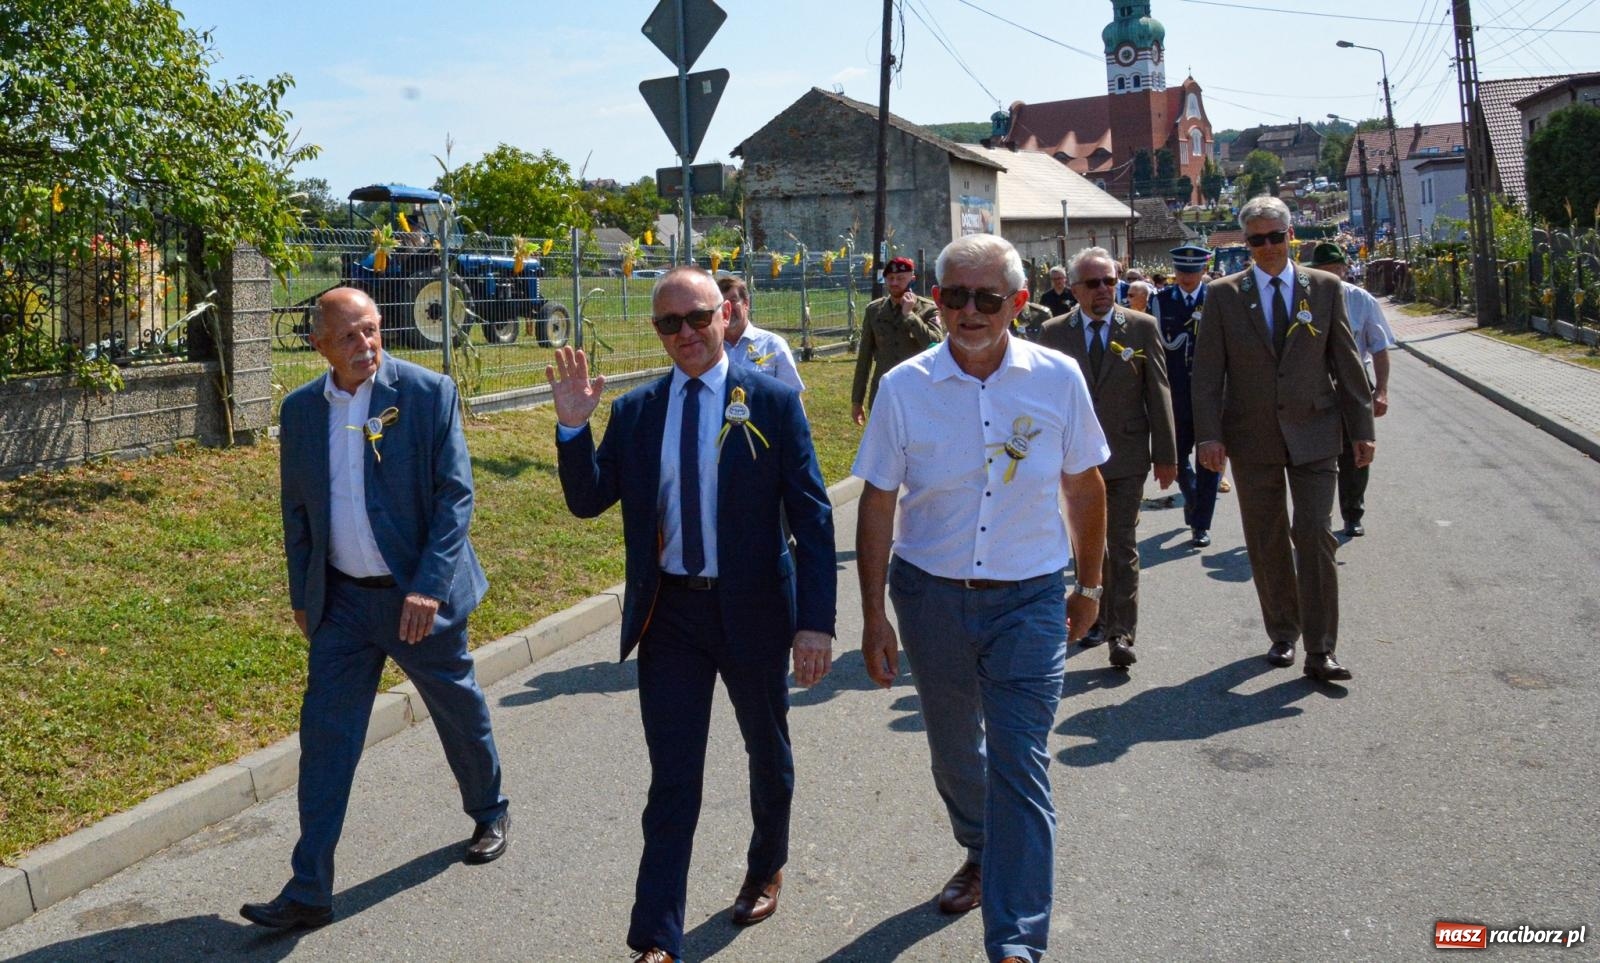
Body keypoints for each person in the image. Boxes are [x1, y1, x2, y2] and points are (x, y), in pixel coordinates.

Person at [546, 266, 836, 963]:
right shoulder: (639, 411)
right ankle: (656, 938)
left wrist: (816, 623)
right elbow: (588, 500)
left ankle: (766, 864)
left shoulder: (769, 402)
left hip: (756, 607)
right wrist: (570, 428)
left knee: (767, 751)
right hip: (671, 615)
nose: (686, 334)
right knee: (673, 777)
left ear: (727, 312)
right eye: (669, 323)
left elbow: (814, 518)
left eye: (698, 317)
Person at [854, 233, 1108, 963]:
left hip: (1029, 596)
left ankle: (1017, 942)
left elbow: (1084, 485)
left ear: (1018, 303)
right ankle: (980, 845)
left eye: (987, 298)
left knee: (1020, 760)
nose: (969, 310)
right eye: (954, 295)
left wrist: (1089, 584)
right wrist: (873, 613)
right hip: (930, 595)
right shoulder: (904, 388)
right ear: (935, 301)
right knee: (955, 752)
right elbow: (877, 501)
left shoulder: (1057, 379)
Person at [244, 287, 509, 930]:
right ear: (319, 345)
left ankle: (489, 809)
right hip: (340, 605)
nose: (365, 346)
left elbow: (455, 499)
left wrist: (429, 586)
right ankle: (310, 887)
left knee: (457, 710)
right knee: (326, 740)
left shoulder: (426, 393)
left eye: (371, 331)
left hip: (416, 599)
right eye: (348, 337)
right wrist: (302, 593)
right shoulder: (303, 410)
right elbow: (298, 510)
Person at [1191, 196, 1375, 683]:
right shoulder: (1224, 295)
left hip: (1316, 432)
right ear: (1245, 243)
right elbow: (1207, 374)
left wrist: (1362, 430)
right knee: (1266, 538)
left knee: (1314, 533)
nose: (1268, 246)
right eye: (1257, 239)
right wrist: (1208, 436)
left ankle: (1321, 650)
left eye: (1276, 236)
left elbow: (1347, 363)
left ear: (1291, 236)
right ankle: (1283, 631)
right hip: (1252, 438)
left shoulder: (1326, 288)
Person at [1039, 247, 1176, 671]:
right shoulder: (1054, 333)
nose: (1103, 290)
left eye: (1109, 282)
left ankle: (1121, 632)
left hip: (1126, 453)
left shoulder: (1139, 327)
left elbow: (1159, 390)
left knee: (1121, 543)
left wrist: (1166, 454)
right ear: (1075, 288)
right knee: (1087, 547)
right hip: (1075, 461)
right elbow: (1042, 398)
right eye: (1093, 283)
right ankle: (1094, 617)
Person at [1307, 241, 1394, 538]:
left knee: (1357, 448)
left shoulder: (1362, 300)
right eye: (1324, 271)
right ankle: (1317, 517)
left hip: (1353, 382)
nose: (1332, 276)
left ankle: (1353, 513)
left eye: (1336, 270)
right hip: (1314, 383)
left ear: (1344, 269)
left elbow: (1379, 348)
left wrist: (1381, 391)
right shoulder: (1302, 300)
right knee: (1314, 453)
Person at [1154, 243, 1222, 547]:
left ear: (1204, 270)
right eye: (1182, 271)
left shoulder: (1217, 299)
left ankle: (1200, 523)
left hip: (1211, 394)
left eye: (1193, 271)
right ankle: (1192, 496)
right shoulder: (1161, 302)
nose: (1186, 277)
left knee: (1212, 459)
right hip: (1176, 393)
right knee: (1178, 456)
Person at [851, 256, 942, 425]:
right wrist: (857, 400)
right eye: (890, 278)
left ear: (912, 279)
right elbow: (864, 359)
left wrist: (910, 315)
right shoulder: (874, 310)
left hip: (918, 390)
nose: (894, 283)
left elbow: (935, 345)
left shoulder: (928, 309)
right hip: (883, 391)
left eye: (900, 278)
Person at [718, 274, 805, 391]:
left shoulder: (773, 345)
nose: (727, 308)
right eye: (721, 304)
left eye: (733, 301)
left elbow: (792, 394)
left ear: (746, 304)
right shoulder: (709, 348)